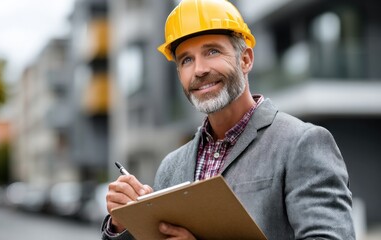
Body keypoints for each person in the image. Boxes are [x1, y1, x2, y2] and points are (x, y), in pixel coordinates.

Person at [102, 0, 355, 239]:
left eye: (212, 51)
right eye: (186, 60)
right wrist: (123, 224)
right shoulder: (171, 167)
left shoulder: (302, 143)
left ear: (245, 60)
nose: (199, 70)